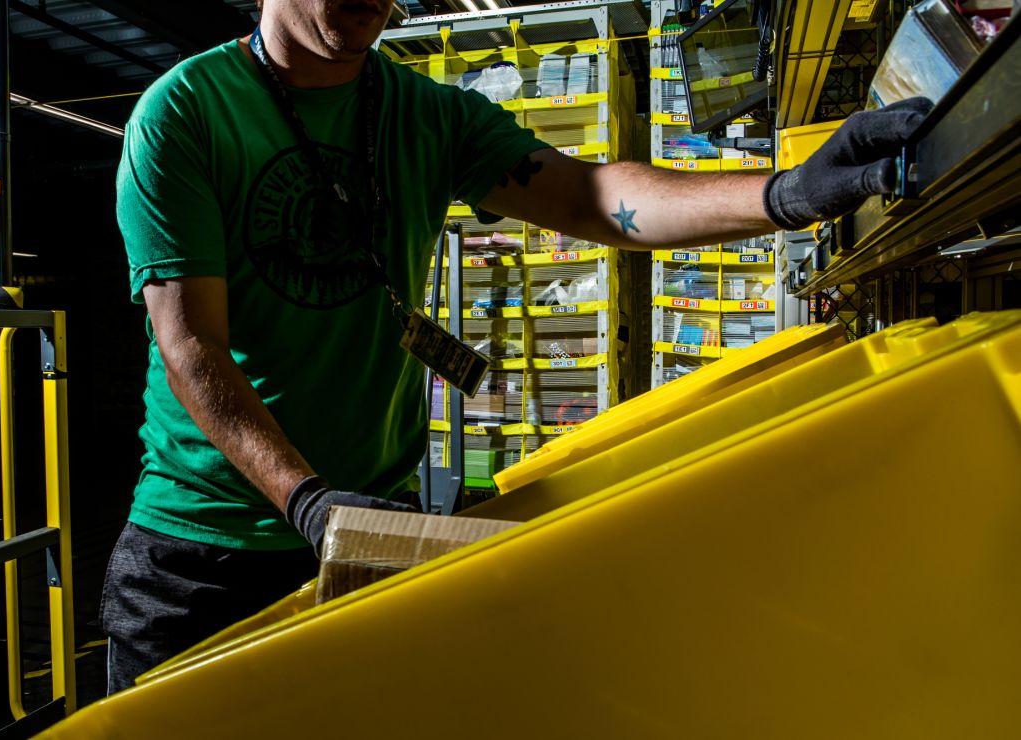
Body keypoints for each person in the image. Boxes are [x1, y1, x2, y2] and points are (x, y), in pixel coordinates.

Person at [101, 0, 932, 693]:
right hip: (202, 556)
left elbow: (592, 197)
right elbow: (192, 348)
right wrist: (309, 502)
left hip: (367, 537)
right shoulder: (185, 114)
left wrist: (785, 194)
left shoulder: (423, 112)